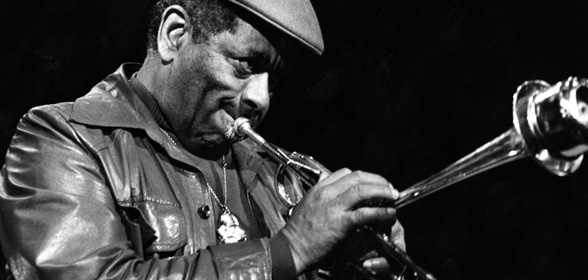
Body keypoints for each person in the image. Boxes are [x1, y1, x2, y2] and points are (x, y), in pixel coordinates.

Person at [0, 0, 405, 279]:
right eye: (247, 64)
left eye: (273, 79)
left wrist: (347, 264)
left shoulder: (271, 173)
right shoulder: (61, 137)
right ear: (174, 36)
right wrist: (291, 250)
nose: (261, 100)